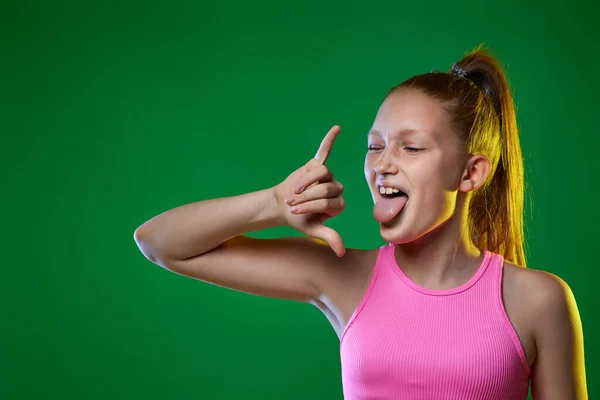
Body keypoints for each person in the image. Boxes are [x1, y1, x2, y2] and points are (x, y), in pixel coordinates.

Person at [133, 47, 587, 399]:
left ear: (470, 173)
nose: (382, 165)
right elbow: (159, 242)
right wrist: (273, 204)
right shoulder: (343, 276)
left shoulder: (539, 301)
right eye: (375, 146)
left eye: (411, 148)